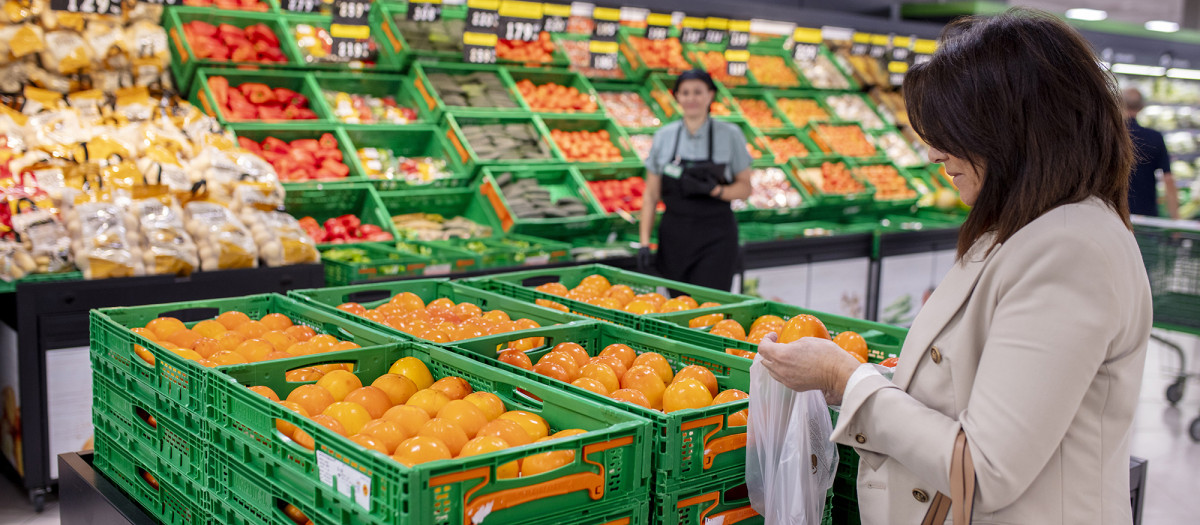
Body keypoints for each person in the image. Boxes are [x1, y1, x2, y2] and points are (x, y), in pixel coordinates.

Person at [755, 9, 1152, 524]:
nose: (934, 151)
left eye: (952, 129)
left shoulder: (1070, 251)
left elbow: (985, 471)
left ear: (1016, 131)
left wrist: (847, 378)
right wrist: (849, 382)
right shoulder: (1028, 229)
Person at [638, 69, 753, 291]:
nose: (691, 99)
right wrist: (644, 244)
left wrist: (717, 191)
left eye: (698, 92)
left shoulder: (730, 135)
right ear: (677, 97)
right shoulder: (664, 136)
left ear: (710, 95)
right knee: (678, 309)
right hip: (674, 239)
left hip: (716, 238)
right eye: (685, 93)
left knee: (710, 309)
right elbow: (651, 196)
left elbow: (745, 188)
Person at [1123, 87, 1180, 218]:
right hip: (1146, 213)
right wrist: (1175, 218)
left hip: (1115, 212)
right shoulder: (1154, 137)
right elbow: (1168, 179)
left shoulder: (1110, 136)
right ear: (1142, 107)